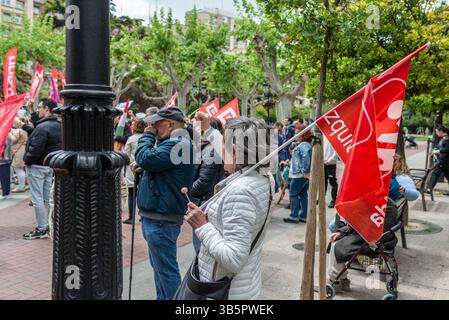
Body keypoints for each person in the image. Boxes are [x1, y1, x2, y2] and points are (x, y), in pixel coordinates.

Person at [184, 117, 275, 300]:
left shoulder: (241, 192)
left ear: (234, 151)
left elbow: (233, 258)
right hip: (244, 284)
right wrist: (208, 128)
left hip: (227, 291)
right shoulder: (265, 177)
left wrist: (202, 225)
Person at [133, 107, 194, 300]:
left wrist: (147, 137)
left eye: (156, 123)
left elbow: (145, 156)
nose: (153, 127)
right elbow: (158, 168)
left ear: (170, 124)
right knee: (160, 269)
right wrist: (145, 169)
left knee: (166, 271)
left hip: (162, 218)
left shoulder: (179, 143)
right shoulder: (174, 143)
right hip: (158, 215)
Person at [327, 197, 399, 292]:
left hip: (374, 241)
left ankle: (335, 281)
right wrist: (342, 232)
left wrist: (344, 232)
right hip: (375, 239)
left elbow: (366, 228)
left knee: (336, 246)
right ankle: (342, 279)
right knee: (337, 240)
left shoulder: (383, 205)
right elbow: (358, 224)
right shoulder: (385, 202)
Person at [22, 99, 61, 240]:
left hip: (37, 166)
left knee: (38, 198)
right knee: (47, 198)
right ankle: (48, 225)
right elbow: (37, 125)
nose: (38, 111)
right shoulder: (58, 125)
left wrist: (27, 160)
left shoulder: (43, 128)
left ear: (46, 109)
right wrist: (32, 110)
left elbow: (36, 148)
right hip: (49, 166)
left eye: (40, 108)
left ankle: (42, 228)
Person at [190, 111, 225, 253]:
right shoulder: (204, 148)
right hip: (203, 202)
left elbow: (204, 182)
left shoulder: (212, 151)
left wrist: (185, 192)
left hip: (205, 203)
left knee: (201, 248)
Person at [284, 124, 312, 224]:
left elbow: (306, 157)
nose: (295, 135)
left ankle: (294, 215)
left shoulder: (303, 145)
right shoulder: (304, 144)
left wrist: (304, 170)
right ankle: (303, 215)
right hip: (301, 174)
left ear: (303, 134)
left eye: (297, 133)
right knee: (303, 194)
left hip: (298, 175)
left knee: (294, 194)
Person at [123, 119, 146, 224]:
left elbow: (126, 155)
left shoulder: (131, 139)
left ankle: (131, 217)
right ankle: (142, 215)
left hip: (132, 168)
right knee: (143, 192)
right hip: (145, 168)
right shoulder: (148, 138)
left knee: (132, 194)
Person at [9, 118, 28, 193]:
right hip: (23, 150)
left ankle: (21, 186)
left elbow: (12, 140)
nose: (13, 124)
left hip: (19, 151)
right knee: (23, 168)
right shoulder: (25, 130)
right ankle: (24, 184)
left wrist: (9, 132)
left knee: (18, 168)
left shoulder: (18, 130)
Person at [430, 125, 449, 195]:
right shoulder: (443, 138)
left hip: (444, 160)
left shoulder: (446, 138)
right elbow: (440, 147)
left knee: (435, 174)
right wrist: (435, 150)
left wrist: (437, 151)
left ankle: (429, 189)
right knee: (447, 175)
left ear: (441, 131)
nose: (436, 133)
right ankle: (429, 188)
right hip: (444, 160)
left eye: (437, 132)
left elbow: (447, 149)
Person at [323, 136, 339, 208]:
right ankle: (321, 198)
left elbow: (336, 152)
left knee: (332, 182)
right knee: (323, 182)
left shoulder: (334, 137)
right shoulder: (324, 136)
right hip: (323, 162)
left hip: (331, 164)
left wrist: (329, 161)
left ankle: (334, 200)